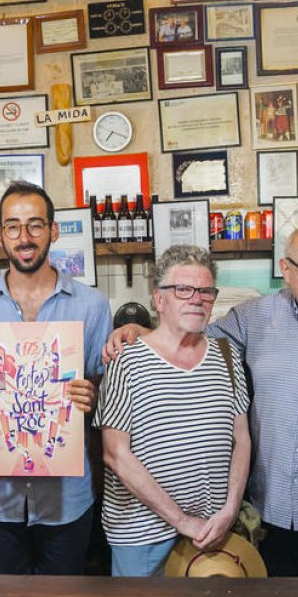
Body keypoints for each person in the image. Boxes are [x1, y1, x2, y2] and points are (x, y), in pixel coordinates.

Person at [105, 226, 298, 576]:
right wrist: (142, 332)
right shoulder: (251, 318)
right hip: (270, 516)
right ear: (285, 270)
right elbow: (184, 334)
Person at [0, 182, 111, 575]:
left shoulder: (92, 304)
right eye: (13, 226)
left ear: (53, 231)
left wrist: (90, 398)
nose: (24, 237)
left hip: (66, 498)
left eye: (35, 225)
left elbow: (102, 391)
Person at [96, 246, 251, 576]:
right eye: (183, 289)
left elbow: (242, 439)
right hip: (142, 538)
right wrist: (183, 521)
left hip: (212, 533)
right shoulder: (127, 361)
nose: (197, 298)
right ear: (158, 299)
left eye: (206, 291)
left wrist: (230, 510)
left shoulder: (227, 356)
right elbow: (115, 455)